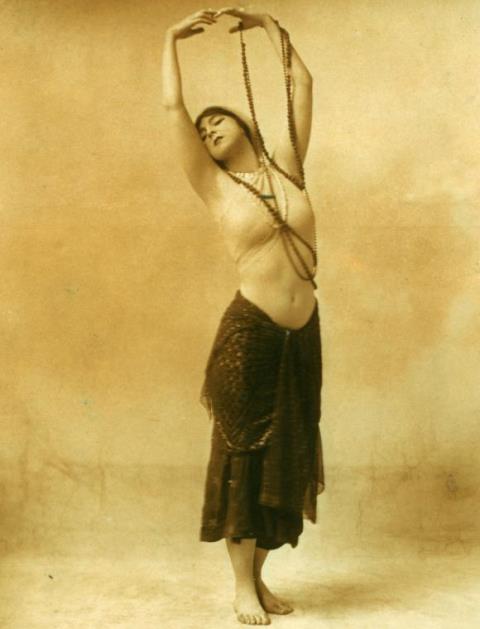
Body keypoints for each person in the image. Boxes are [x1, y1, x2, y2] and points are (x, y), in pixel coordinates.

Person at [162, 7, 325, 626]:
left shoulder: (287, 167)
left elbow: (302, 83)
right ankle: (241, 589)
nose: (207, 131)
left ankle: (259, 580)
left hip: (300, 337)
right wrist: (169, 40)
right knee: (244, 460)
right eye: (202, 131)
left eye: (217, 120)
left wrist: (268, 24)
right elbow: (173, 110)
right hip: (249, 337)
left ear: (243, 122)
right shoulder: (215, 187)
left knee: (286, 455)